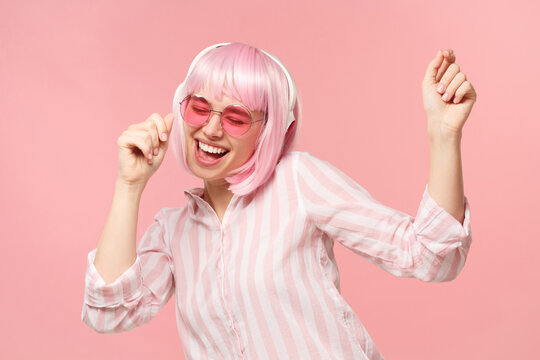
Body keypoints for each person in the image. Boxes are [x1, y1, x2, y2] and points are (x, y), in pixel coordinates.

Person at [81, 42, 475, 359]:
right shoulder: (172, 232)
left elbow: (430, 255)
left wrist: (444, 134)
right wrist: (129, 185)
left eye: (236, 117)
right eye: (200, 108)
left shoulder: (298, 181)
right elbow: (108, 313)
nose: (212, 129)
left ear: (268, 130)